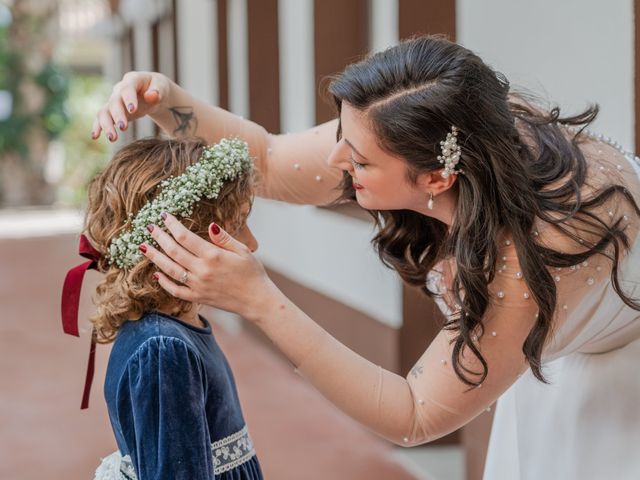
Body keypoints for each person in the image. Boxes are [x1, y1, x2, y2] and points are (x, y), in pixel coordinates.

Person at [93, 36, 640, 479]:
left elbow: (416, 412)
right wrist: (167, 101)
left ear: (437, 176)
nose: (334, 161)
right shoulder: (450, 126)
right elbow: (271, 159)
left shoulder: (531, 260)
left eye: (356, 158)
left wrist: (261, 302)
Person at [63, 137, 263, 479]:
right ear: (181, 238)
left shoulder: (179, 329)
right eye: (235, 225)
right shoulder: (162, 350)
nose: (251, 243)